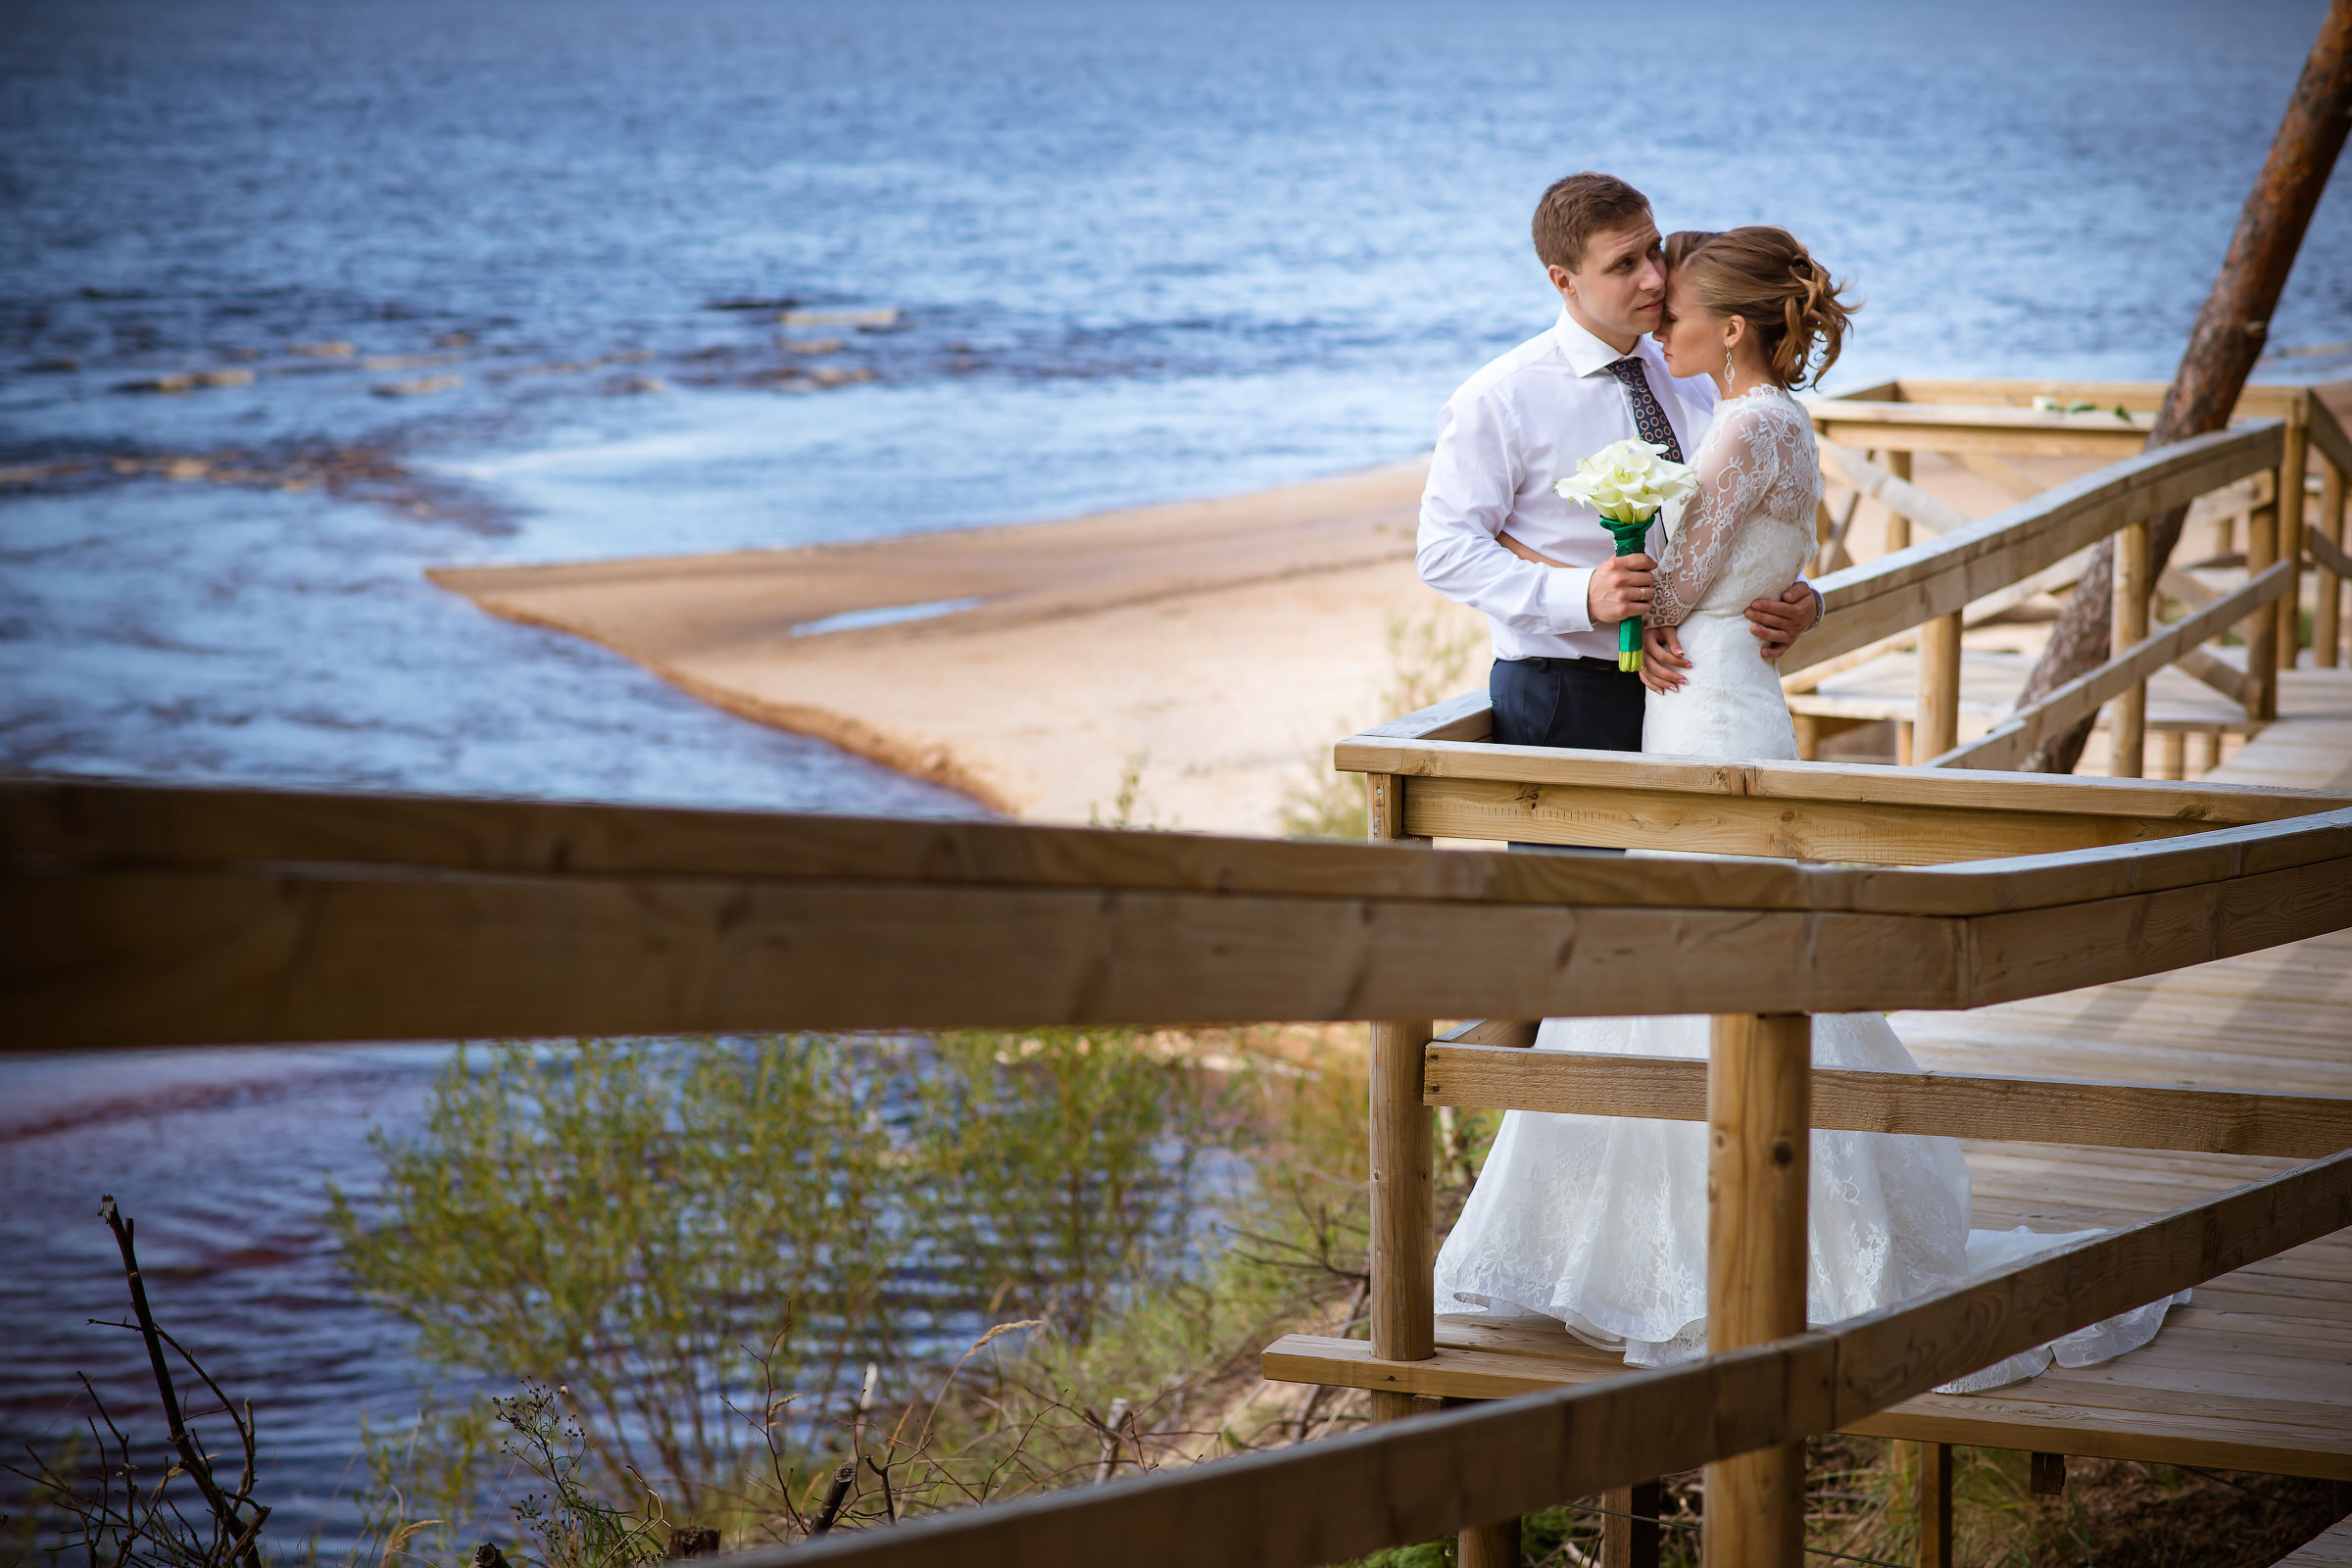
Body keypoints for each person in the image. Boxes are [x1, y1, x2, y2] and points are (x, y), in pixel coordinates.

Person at [1429, 222, 2184, 1392]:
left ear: (1727, 329)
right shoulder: (1764, 417)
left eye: (1673, 303)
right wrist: (1776, 591)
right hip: (1708, 701)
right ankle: (1673, 1244)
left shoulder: (1739, 420)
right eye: (1640, 283)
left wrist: (1622, 562)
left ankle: (1721, 1256)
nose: (1657, 313)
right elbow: (1764, 556)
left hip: (1709, 710)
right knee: (1691, 960)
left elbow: (1679, 588)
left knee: (1699, 958)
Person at [1415, 172, 1820, 760]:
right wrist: (1581, 595)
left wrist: (1803, 601)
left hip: (1695, 684)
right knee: (1570, 859)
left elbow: (1755, 511)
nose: (1654, 276)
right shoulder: (1501, 399)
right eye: (1624, 263)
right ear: (1564, 281)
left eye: (1653, 249)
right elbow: (1444, 550)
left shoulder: (1700, 368)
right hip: (1567, 694)